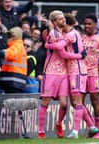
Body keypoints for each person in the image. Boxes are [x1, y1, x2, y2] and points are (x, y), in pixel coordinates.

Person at [60, 13, 99, 139]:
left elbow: (61, 48)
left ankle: (75, 132)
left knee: (77, 101)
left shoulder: (71, 34)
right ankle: (92, 127)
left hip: (77, 70)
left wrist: (49, 43)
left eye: (61, 21)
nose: (60, 24)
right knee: (75, 102)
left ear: (66, 23)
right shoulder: (71, 34)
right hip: (72, 70)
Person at [38, 10, 68, 139]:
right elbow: (61, 50)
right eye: (60, 19)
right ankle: (40, 131)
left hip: (64, 72)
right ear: (54, 22)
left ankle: (59, 124)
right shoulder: (52, 33)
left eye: (64, 18)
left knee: (64, 104)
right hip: (50, 71)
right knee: (46, 101)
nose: (64, 20)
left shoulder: (66, 33)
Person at [82, 14, 99, 138]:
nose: (87, 26)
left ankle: (98, 130)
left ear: (94, 25)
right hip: (81, 74)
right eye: (85, 23)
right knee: (78, 102)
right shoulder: (80, 38)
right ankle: (91, 127)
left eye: (89, 24)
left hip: (94, 73)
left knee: (95, 101)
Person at [0, 27, 27, 93]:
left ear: (14, 37)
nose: (7, 38)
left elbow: (10, 54)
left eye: (9, 36)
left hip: (14, 81)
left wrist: (0, 53)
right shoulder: (17, 46)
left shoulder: (17, 45)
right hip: (15, 81)